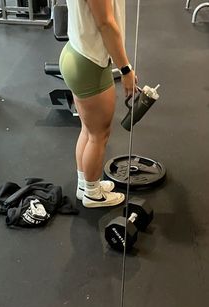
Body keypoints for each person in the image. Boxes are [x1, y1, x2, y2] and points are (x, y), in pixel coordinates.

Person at [59, 0, 137, 208]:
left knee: (88, 129)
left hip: (77, 51)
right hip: (89, 62)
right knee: (98, 135)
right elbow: (106, 24)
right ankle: (93, 194)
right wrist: (126, 70)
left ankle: (85, 185)